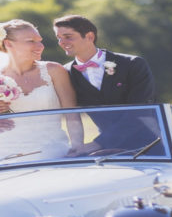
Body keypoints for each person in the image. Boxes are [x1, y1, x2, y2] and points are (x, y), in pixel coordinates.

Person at [0, 20, 83, 163]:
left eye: (40, 41)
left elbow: (72, 116)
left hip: (51, 149)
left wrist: (78, 147)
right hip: (0, 153)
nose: (40, 46)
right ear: (8, 44)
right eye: (31, 41)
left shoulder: (54, 71)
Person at [53, 14, 156, 149]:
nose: (62, 42)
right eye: (59, 38)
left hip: (155, 142)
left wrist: (97, 144)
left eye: (68, 37)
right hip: (110, 150)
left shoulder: (132, 64)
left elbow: (140, 112)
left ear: (90, 36)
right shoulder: (66, 73)